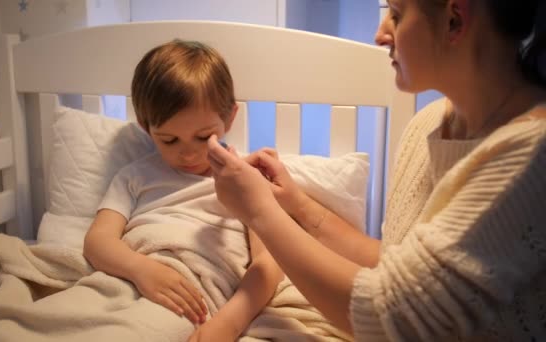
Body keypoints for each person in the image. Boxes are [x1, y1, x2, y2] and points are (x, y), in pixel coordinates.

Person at [206, 0, 546, 340]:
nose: (380, 34)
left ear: (455, 20)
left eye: (396, 16)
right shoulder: (427, 124)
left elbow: (395, 316)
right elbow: (394, 260)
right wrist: (297, 205)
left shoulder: (530, 154)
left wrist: (260, 212)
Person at [83, 39, 283, 341]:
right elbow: (97, 241)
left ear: (230, 117)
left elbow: (268, 264)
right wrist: (142, 270)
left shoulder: (247, 180)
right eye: (169, 140)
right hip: (124, 278)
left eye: (203, 137)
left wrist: (228, 324)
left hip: (190, 297)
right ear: (145, 126)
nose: (188, 154)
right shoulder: (134, 176)